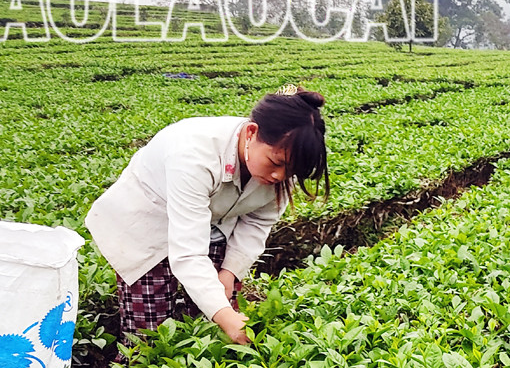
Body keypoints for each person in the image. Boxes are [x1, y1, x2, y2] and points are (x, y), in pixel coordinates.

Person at [86, 84, 330, 349]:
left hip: (213, 221)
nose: (280, 176)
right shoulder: (193, 156)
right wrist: (226, 317)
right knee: (150, 338)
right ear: (251, 133)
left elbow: (257, 223)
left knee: (211, 327)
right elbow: (189, 254)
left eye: (291, 170)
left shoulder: (282, 168)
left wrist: (229, 273)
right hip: (145, 224)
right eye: (276, 163)